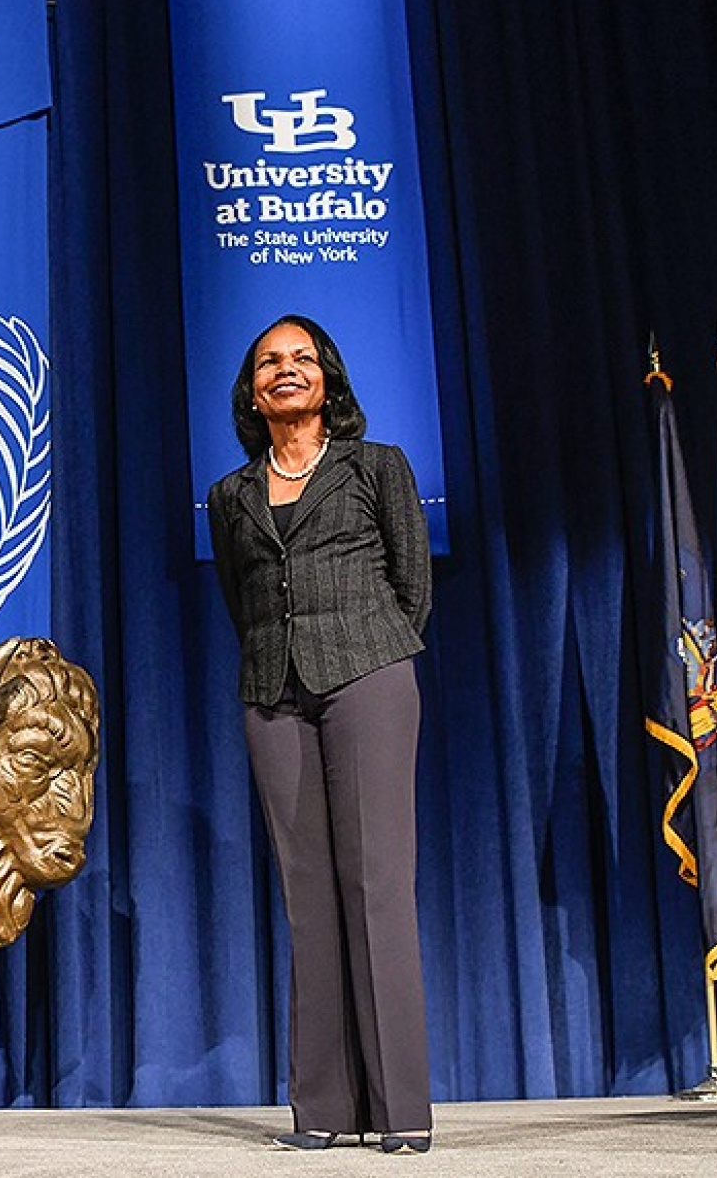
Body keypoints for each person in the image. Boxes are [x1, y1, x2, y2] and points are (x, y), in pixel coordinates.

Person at [205, 315, 433, 1155]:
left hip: (369, 673)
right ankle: (324, 1109)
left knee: (375, 886)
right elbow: (240, 598)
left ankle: (401, 1108)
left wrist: (367, 651)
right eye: (269, 362)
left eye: (301, 359)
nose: (285, 370)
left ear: (327, 381)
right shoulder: (231, 495)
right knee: (309, 902)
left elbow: (412, 585)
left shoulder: (376, 469)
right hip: (272, 691)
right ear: (252, 390)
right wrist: (286, 656)